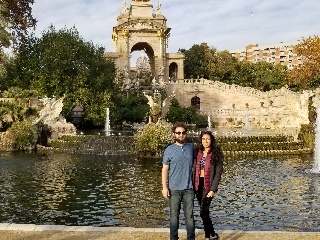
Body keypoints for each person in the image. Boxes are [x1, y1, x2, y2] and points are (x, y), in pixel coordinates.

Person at [162, 122, 195, 240]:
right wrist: (165, 188)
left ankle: (191, 238)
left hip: (189, 189)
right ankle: (173, 238)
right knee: (174, 216)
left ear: (186, 134)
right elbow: (165, 169)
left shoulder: (191, 148)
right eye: (178, 133)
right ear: (174, 134)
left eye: (183, 133)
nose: (181, 135)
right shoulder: (169, 150)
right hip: (174, 189)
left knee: (189, 217)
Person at [194, 130, 223, 240]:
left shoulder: (216, 153)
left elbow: (218, 173)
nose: (206, 141)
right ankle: (210, 235)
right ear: (201, 140)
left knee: (203, 212)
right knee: (204, 212)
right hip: (198, 185)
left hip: (208, 187)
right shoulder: (197, 152)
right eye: (204, 139)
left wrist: (213, 189)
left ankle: (210, 235)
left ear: (211, 140)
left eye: (208, 139)